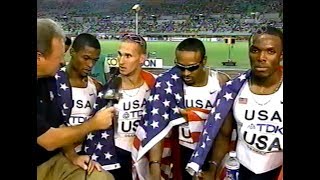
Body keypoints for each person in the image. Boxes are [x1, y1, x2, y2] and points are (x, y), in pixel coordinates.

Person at [187, 26, 283, 180]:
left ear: (281, 55)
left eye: (270, 51)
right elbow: (224, 136)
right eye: (255, 50)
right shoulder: (234, 90)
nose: (261, 57)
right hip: (243, 168)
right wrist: (213, 169)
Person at [132, 38, 230, 180]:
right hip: (181, 152)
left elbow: (224, 130)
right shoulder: (169, 85)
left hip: (210, 151)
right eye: (180, 67)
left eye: (192, 68)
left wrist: (214, 168)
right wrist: (155, 167)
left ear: (204, 61)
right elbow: (158, 126)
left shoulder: (219, 82)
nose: (186, 73)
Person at [37, 18, 115, 180]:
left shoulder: (47, 80)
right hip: (44, 159)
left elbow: (58, 123)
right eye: (58, 56)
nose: (62, 61)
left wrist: (73, 157)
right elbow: (48, 140)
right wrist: (94, 124)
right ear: (38, 58)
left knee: (102, 178)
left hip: (51, 159)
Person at [83, 33, 156, 180]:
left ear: (142, 58)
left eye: (128, 56)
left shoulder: (154, 87)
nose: (121, 61)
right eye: (120, 55)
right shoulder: (108, 91)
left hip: (145, 154)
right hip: (117, 157)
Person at [56, 33, 107, 175]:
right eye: (85, 58)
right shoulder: (53, 83)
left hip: (84, 155)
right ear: (72, 52)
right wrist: (72, 155)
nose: (90, 65)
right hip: (56, 155)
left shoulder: (95, 87)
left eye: (94, 60)